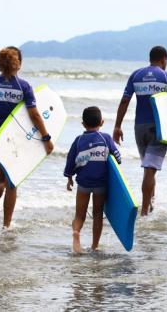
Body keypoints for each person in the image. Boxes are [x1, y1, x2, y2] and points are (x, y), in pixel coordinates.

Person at [0, 46, 54, 229]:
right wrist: (46, 137)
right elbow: (34, 115)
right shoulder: (23, 86)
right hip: (13, 136)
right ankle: (6, 225)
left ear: (0, 64)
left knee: (0, 178)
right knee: (12, 181)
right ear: (18, 64)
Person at [113, 46, 167, 216]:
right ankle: (145, 211)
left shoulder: (136, 75)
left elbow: (125, 101)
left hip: (139, 128)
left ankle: (151, 205)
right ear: (164, 59)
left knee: (149, 168)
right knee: (149, 169)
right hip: (159, 129)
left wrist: (117, 126)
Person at [64, 106, 121, 253]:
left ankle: (76, 232)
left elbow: (71, 161)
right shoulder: (106, 138)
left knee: (79, 215)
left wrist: (69, 177)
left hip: (83, 183)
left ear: (83, 124)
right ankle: (95, 246)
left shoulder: (78, 141)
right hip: (100, 185)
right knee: (97, 216)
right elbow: (117, 159)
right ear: (102, 122)